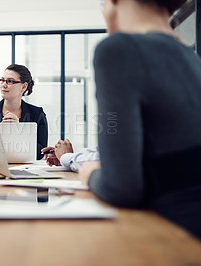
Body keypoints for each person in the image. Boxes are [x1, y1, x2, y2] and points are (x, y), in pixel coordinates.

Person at [79, 0, 201, 239]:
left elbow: (121, 188)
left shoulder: (118, 49)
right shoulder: (191, 58)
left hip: (176, 234)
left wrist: (91, 173)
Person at [0, 64, 48, 160]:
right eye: (2, 80)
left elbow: (41, 153)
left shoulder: (37, 114)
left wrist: (19, 130)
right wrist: (1, 132)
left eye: (10, 81)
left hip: (26, 169)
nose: (4, 85)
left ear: (23, 87)